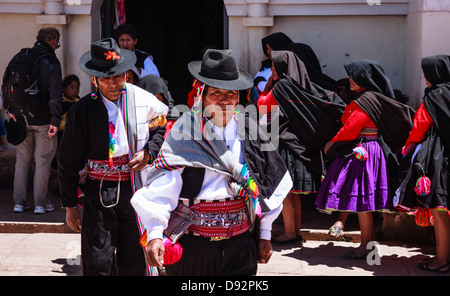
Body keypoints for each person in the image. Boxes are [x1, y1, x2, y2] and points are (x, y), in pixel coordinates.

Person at [131, 49, 293, 276]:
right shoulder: (185, 131)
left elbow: (269, 181)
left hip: (241, 242)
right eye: (216, 92)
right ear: (202, 96)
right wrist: (156, 233)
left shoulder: (250, 129)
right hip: (194, 245)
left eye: (231, 93)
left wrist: (264, 234)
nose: (224, 100)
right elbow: (163, 185)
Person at [57, 38, 168, 276]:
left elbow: (160, 126)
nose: (113, 84)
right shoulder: (83, 110)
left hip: (134, 188)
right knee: (98, 261)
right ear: (94, 79)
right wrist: (70, 205)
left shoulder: (142, 100)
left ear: (126, 74)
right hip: (97, 193)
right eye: (106, 79)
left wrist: (149, 152)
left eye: (118, 76)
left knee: (135, 258)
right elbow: (68, 161)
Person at [317, 59, 415, 259]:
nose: (351, 80)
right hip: (369, 151)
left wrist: (331, 144)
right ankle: (367, 244)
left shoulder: (365, 100)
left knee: (363, 202)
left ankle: (366, 246)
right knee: (365, 203)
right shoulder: (368, 97)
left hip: (364, 154)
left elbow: (351, 129)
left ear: (365, 77)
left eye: (355, 76)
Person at [257, 50, 345, 243]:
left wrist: (268, 87)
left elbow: (262, 105)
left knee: (286, 192)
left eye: (274, 65)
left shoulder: (281, 87)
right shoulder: (302, 85)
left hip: (286, 145)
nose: (271, 69)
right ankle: (295, 232)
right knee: (292, 193)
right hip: (300, 144)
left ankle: (290, 232)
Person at [396, 55, 450, 273]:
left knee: (440, 210)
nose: (425, 78)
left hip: (440, 157)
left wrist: (407, 149)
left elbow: (419, 127)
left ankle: (442, 259)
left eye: (427, 73)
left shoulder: (434, 97)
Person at [11, 27, 63, 214]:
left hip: (20, 118)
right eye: (57, 41)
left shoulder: (21, 56)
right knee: (42, 161)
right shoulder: (51, 61)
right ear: (53, 39)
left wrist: (11, 110)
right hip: (44, 120)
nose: (58, 45)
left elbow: (6, 84)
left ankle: (19, 203)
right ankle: (40, 204)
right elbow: (55, 94)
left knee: (22, 160)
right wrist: (56, 120)